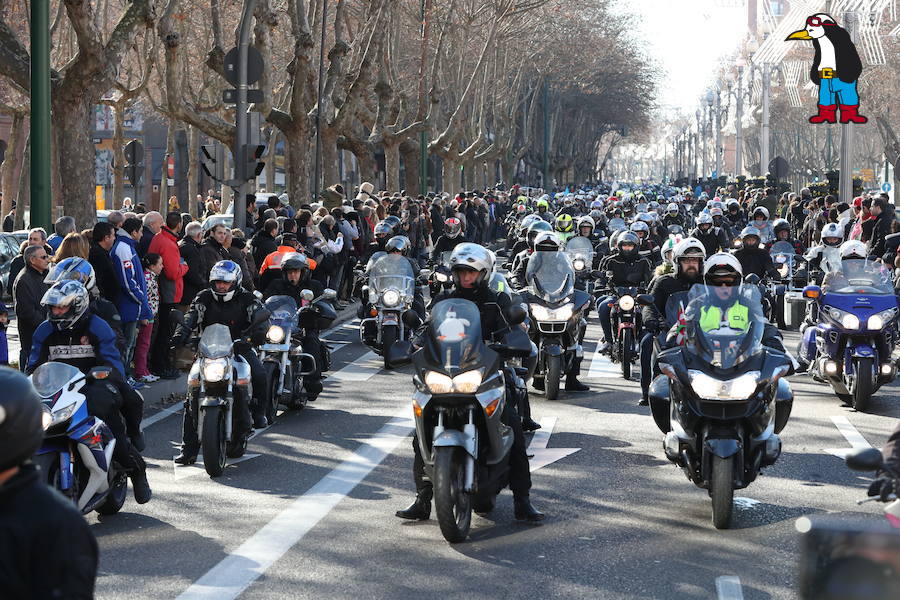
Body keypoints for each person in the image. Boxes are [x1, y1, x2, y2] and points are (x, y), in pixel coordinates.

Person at [396, 243, 544, 522]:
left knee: (512, 423)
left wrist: (513, 340)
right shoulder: (443, 301)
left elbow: (512, 327)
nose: (466, 278)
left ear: (484, 273)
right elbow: (428, 327)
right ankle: (423, 497)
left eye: (471, 273)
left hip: (485, 373)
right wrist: (414, 343)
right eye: (461, 272)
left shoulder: (496, 301)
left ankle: (523, 500)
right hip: (448, 373)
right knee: (421, 430)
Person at [27, 280, 151, 503]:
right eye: (54, 307)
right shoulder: (44, 330)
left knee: (110, 424)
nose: (57, 312)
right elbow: (34, 364)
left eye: (62, 307)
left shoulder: (97, 326)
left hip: (95, 384)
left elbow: (113, 363)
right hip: (59, 389)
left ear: (77, 306)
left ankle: (137, 472)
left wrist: (103, 373)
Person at [0, 367, 99, 598]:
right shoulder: (46, 329)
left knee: (113, 404)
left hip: (83, 388)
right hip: (53, 388)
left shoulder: (55, 526)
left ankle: (134, 466)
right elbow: (35, 358)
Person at [174, 261, 271, 464]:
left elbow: (261, 317)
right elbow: (191, 316)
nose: (221, 287)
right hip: (208, 352)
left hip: (239, 348)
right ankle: (189, 449)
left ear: (235, 282)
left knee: (259, 373)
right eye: (218, 283)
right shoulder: (204, 297)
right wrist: (180, 334)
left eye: (225, 283)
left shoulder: (247, 298)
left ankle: (259, 413)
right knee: (192, 396)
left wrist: (259, 334)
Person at [639, 238, 705, 406]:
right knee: (647, 343)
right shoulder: (664, 281)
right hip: (669, 330)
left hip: (704, 330)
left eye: (695, 261)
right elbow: (650, 305)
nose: (691, 264)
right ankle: (648, 390)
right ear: (677, 262)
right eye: (687, 261)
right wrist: (651, 320)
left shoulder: (708, 282)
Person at [262, 253, 326, 399]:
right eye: (290, 272)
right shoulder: (276, 285)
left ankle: (312, 382)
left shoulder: (313, 286)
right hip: (278, 327)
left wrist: (318, 308)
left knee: (312, 341)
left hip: (303, 327)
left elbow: (323, 303)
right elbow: (266, 302)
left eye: (296, 272)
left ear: (303, 272)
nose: (293, 275)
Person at [110, 218, 152, 388]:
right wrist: (141, 298)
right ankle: (124, 378)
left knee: (130, 343)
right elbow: (127, 280)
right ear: (134, 232)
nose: (142, 234)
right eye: (140, 231)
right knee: (126, 344)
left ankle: (127, 376)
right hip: (128, 306)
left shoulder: (127, 247)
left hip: (132, 305)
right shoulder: (123, 248)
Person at [596, 231, 653, 354]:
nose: (627, 249)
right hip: (616, 295)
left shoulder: (644, 262)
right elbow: (602, 278)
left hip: (637, 296)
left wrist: (648, 290)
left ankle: (644, 338)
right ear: (619, 246)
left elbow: (650, 280)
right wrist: (600, 285)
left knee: (648, 311)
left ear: (636, 246)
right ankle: (608, 340)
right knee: (603, 306)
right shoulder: (610, 261)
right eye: (624, 245)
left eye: (630, 246)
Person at [148, 211, 189, 380]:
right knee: (165, 333)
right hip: (168, 293)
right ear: (179, 224)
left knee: (161, 332)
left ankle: (158, 364)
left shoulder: (158, 238)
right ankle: (162, 366)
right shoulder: (169, 244)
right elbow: (173, 273)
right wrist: (185, 266)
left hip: (161, 291)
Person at [13, 244, 51, 370]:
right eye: (43, 257)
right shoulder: (24, 280)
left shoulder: (45, 275)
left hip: (45, 338)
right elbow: (27, 312)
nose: (47, 260)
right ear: (32, 260)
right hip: (32, 340)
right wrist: (47, 325)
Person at [133, 253, 162, 384]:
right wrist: (144, 315)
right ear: (152, 265)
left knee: (146, 343)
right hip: (147, 315)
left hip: (151, 314)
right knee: (143, 344)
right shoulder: (147, 278)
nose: (162, 266)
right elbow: (145, 298)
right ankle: (140, 371)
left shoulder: (152, 277)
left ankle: (144, 370)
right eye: (160, 264)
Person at [88, 222, 120, 303]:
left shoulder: (103, 252)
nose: (114, 238)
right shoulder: (97, 255)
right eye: (113, 235)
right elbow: (100, 279)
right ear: (106, 238)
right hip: (104, 302)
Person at [179, 221, 208, 306]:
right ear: (199, 235)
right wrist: (203, 285)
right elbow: (192, 273)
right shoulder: (192, 250)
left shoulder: (182, 244)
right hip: (190, 293)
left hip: (184, 289)